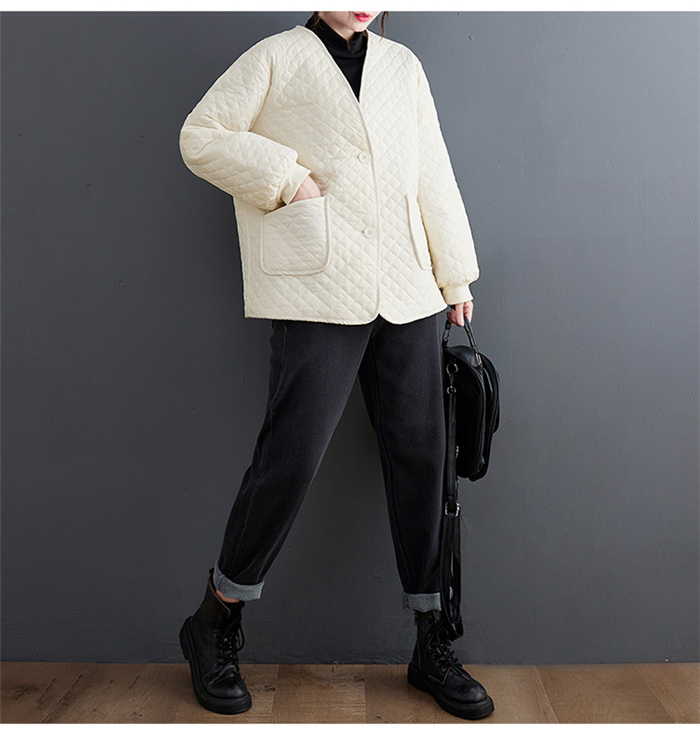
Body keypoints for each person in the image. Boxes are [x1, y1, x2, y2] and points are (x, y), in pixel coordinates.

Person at [177, 11, 494, 721]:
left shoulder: (404, 66)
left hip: (408, 287)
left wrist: (455, 276)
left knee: (423, 459)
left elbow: (431, 171)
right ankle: (214, 620)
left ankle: (432, 641)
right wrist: (286, 179)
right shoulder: (277, 57)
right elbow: (201, 135)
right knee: (290, 456)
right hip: (318, 284)